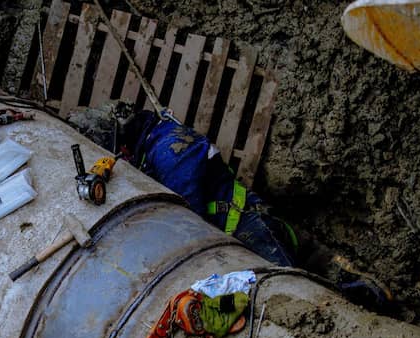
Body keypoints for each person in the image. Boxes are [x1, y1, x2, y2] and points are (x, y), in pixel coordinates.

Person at [109, 106, 393, 310]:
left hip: (247, 227)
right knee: (309, 268)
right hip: (252, 219)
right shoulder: (164, 136)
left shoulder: (168, 151)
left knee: (297, 293)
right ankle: (358, 289)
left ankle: (357, 306)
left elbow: (187, 215)